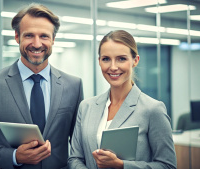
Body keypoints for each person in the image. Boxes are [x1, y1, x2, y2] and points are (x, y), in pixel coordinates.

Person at [0, 3, 83, 169]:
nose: (36, 43)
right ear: (17, 37)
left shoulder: (73, 85)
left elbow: (79, 145)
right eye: (29, 36)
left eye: (44, 36)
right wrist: (14, 156)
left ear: (53, 39)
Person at [68, 30, 177, 169]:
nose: (113, 67)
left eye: (121, 58)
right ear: (99, 61)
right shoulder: (86, 107)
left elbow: (168, 166)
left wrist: (121, 165)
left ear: (135, 61)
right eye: (106, 59)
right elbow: (75, 158)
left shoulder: (152, 109)